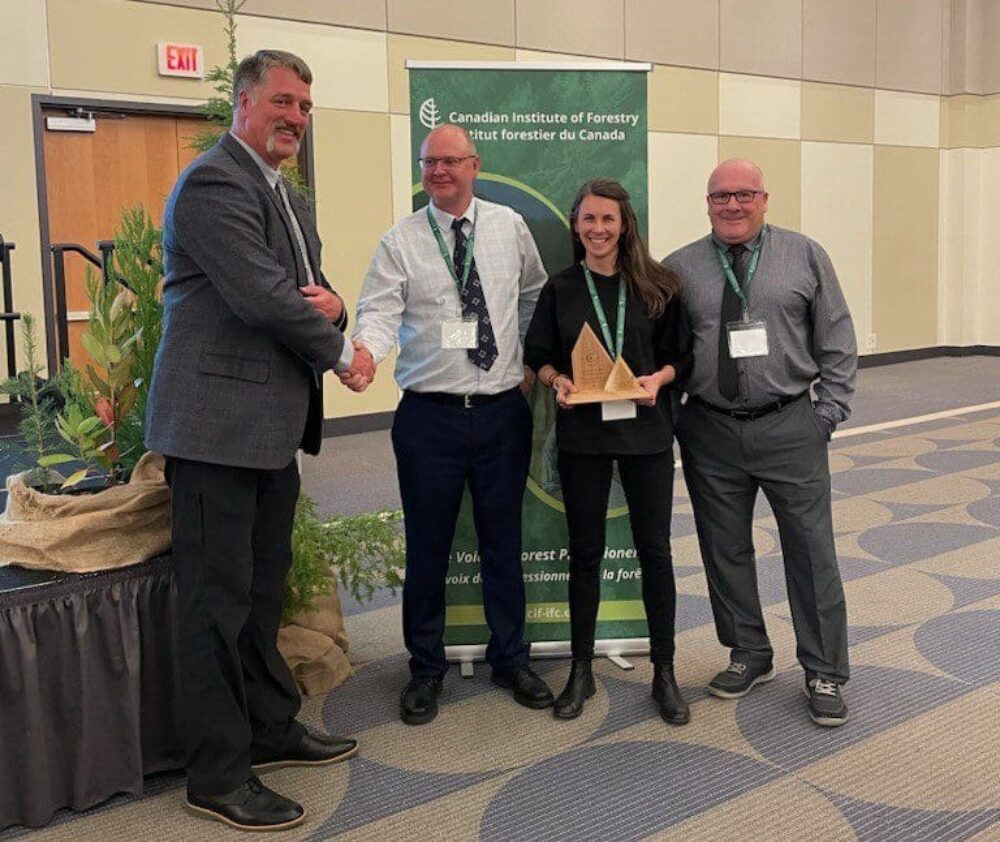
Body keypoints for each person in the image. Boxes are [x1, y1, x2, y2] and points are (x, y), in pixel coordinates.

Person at [145, 50, 373, 831]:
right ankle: (215, 773)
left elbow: (311, 290)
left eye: (306, 107)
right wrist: (346, 354)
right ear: (244, 103)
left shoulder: (286, 194)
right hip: (213, 433)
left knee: (261, 592)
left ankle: (270, 728)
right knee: (214, 604)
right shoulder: (214, 183)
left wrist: (339, 311)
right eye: (283, 102)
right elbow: (264, 297)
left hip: (269, 432)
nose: (296, 119)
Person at [348, 123, 552, 725]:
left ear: (474, 165)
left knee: (502, 543)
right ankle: (425, 669)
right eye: (429, 162)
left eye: (450, 161)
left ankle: (511, 658)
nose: (439, 171)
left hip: (500, 415)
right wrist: (365, 356)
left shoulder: (509, 227)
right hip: (428, 418)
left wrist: (525, 362)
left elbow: (535, 294)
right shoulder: (401, 240)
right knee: (429, 547)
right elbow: (379, 311)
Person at [663, 158, 857, 727]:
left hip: (790, 424)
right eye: (721, 195)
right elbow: (670, 352)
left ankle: (824, 669)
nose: (733, 205)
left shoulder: (805, 254)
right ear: (707, 203)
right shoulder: (681, 268)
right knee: (724, 550)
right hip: (710, 429)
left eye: (745, 194)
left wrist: (827, 413)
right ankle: (749, 651)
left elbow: (837, 335)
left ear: (765, 199)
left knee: (811, 550)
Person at [523, 178, 689, 724]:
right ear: (576, 225)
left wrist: (659, 378)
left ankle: (664, 672)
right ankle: (581, 671)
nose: (598, 229)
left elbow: (679, 357)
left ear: (624, 226)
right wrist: (557, 382)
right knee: (586, 554)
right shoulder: (562, 289)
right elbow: (541, 356)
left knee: (655, 552)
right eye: (589, 219)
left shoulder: (657, 285)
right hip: (585, 439)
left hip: (645, 435)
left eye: (608, 220)